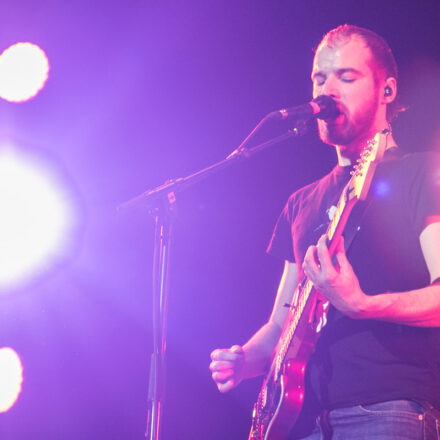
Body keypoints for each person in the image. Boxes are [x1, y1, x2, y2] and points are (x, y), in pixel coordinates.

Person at [209, 24, 440, 439]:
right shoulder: (300, 202)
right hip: (299, 419)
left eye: (346, 77)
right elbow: (284, 322)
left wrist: (363, 304)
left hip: (385, 408)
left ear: (386, 91)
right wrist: (246, 360)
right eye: (320, 78)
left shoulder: (422, 173)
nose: (327, 90)